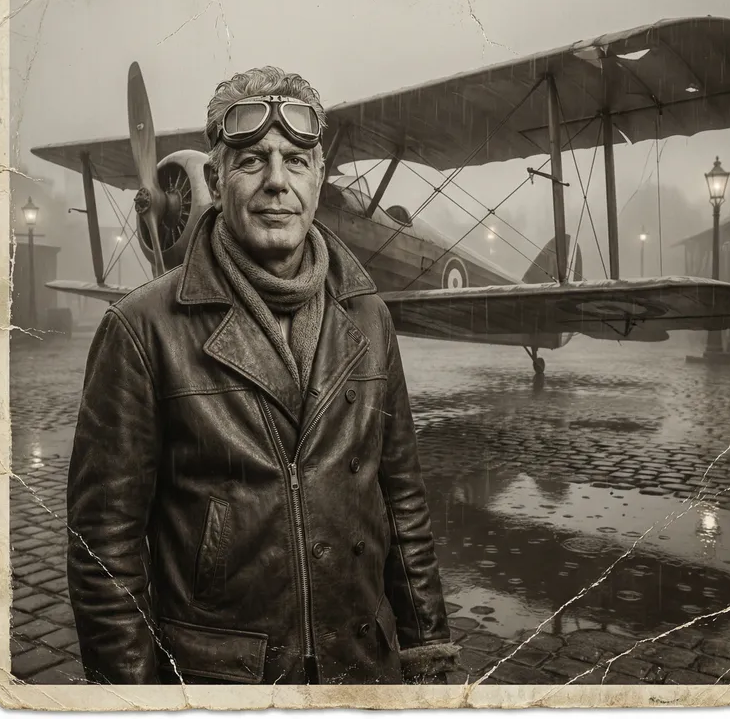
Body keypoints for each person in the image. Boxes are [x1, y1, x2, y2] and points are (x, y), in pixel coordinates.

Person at [66, 66, 458, 686]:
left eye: (296, 160)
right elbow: (103, 550)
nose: (278, 181)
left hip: (362, 671)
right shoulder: (140, 329)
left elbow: (403, 503)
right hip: (223, 681)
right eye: (251, 160)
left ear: (319, 176)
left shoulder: (370, 317)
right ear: (214, 181)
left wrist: (427, 657)